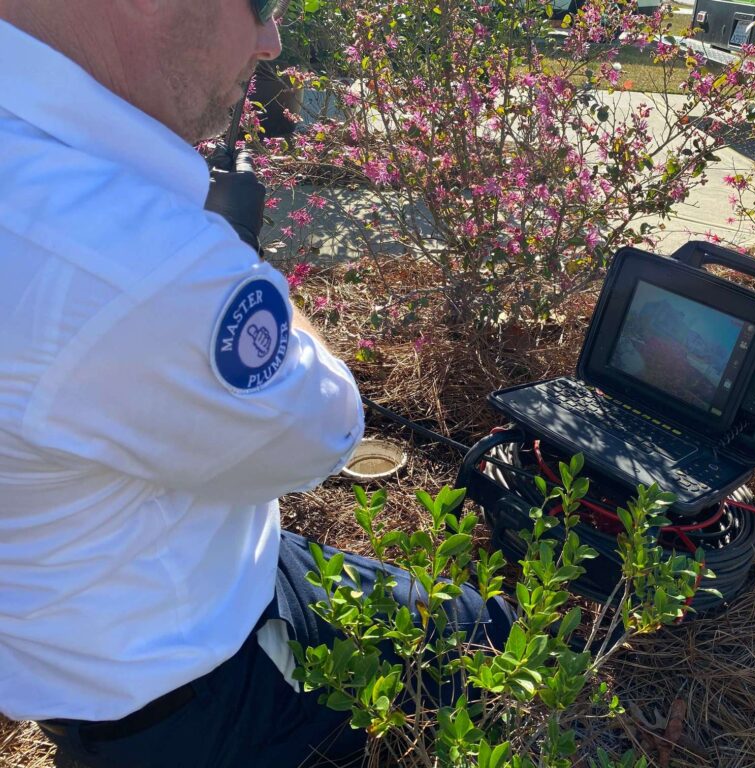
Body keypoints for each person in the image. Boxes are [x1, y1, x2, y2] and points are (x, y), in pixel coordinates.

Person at [0, 1, 512, 766]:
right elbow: (324, 433)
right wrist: (241, 265)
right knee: (503, 655)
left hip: (116, 638)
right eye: (263, 4)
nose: (271, 42)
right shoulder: (138, 260)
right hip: (209, 694)